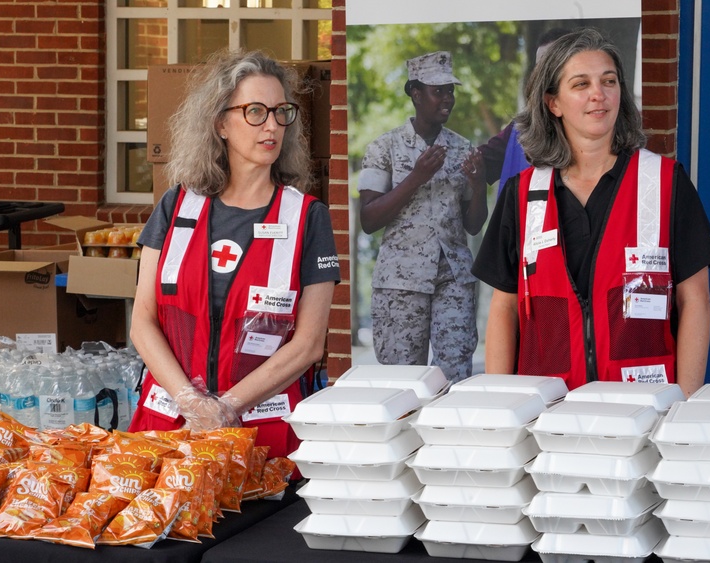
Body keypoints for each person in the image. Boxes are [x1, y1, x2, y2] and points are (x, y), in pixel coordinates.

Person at [472, 29, 710, 397]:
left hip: (644, 407)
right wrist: (502, 403)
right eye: (581, 84)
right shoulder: (523, 194)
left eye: (609, 81)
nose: (598, 94)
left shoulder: (666, 183)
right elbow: (504, 310)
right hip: (546, 408)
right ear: (553, 103)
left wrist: (684, 402)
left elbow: (696, 302)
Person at [128, 49, 340, 459]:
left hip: (261, 438)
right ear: (221, 122)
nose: (272, 125)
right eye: (255, 111)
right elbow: (142, 322)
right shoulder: (176, 208)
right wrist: (192, 403)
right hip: (170, 431)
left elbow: (310, 345)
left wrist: (226, 408)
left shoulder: (307, 218)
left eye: (282, 112)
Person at [358, 51, 488, 383]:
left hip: (453, 280)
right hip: (401, 283)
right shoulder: (383, 148)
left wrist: (477, 184)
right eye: (438, 90)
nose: (447, 99)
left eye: (450, 91)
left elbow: (474, 224)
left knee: (455, 376)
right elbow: (369, 219)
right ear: (416, 94)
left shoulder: (462, 148)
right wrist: (416, 176)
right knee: (403, 381)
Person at [479, 27, 573, 193]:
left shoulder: (596, 128)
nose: (542, 74)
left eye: (550, 65)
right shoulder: (520, 129)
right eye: (539, 67)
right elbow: (480, 161)